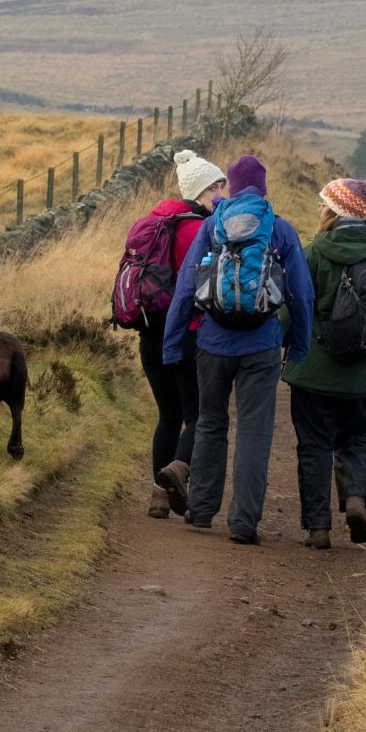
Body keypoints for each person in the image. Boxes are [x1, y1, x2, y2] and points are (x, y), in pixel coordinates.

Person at [163, 154, 313, 545]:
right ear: (263, 187)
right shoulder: (279, 228)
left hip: (212, 342)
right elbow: (301, 294)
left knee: (210, 423)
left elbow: (186, 288)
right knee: (253, 433)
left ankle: (201, 510)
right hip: (262, 345)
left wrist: (172, 345)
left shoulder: (212, 225)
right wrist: (298, 347)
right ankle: (244, 523)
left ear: (230, 185)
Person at [282, 176, 366, 549]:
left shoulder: (315, 251)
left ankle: (318, 528)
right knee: (354, 439)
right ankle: (355, 500)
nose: (319, 208)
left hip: (314, 371)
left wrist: (282, 343)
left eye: (323, 203)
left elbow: (294, 304)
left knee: (314, 446)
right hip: (361, 373)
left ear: (334, 210)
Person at [139, 149, 226, 519]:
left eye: (222, 185)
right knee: (199, 415)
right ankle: (177, 473)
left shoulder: (154, 222)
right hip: (186, 334)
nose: (221, 194)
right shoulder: (200, 230)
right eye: (214, 188)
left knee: (168, 416)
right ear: (198, 191)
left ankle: (159, 497)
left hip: (149, 333)